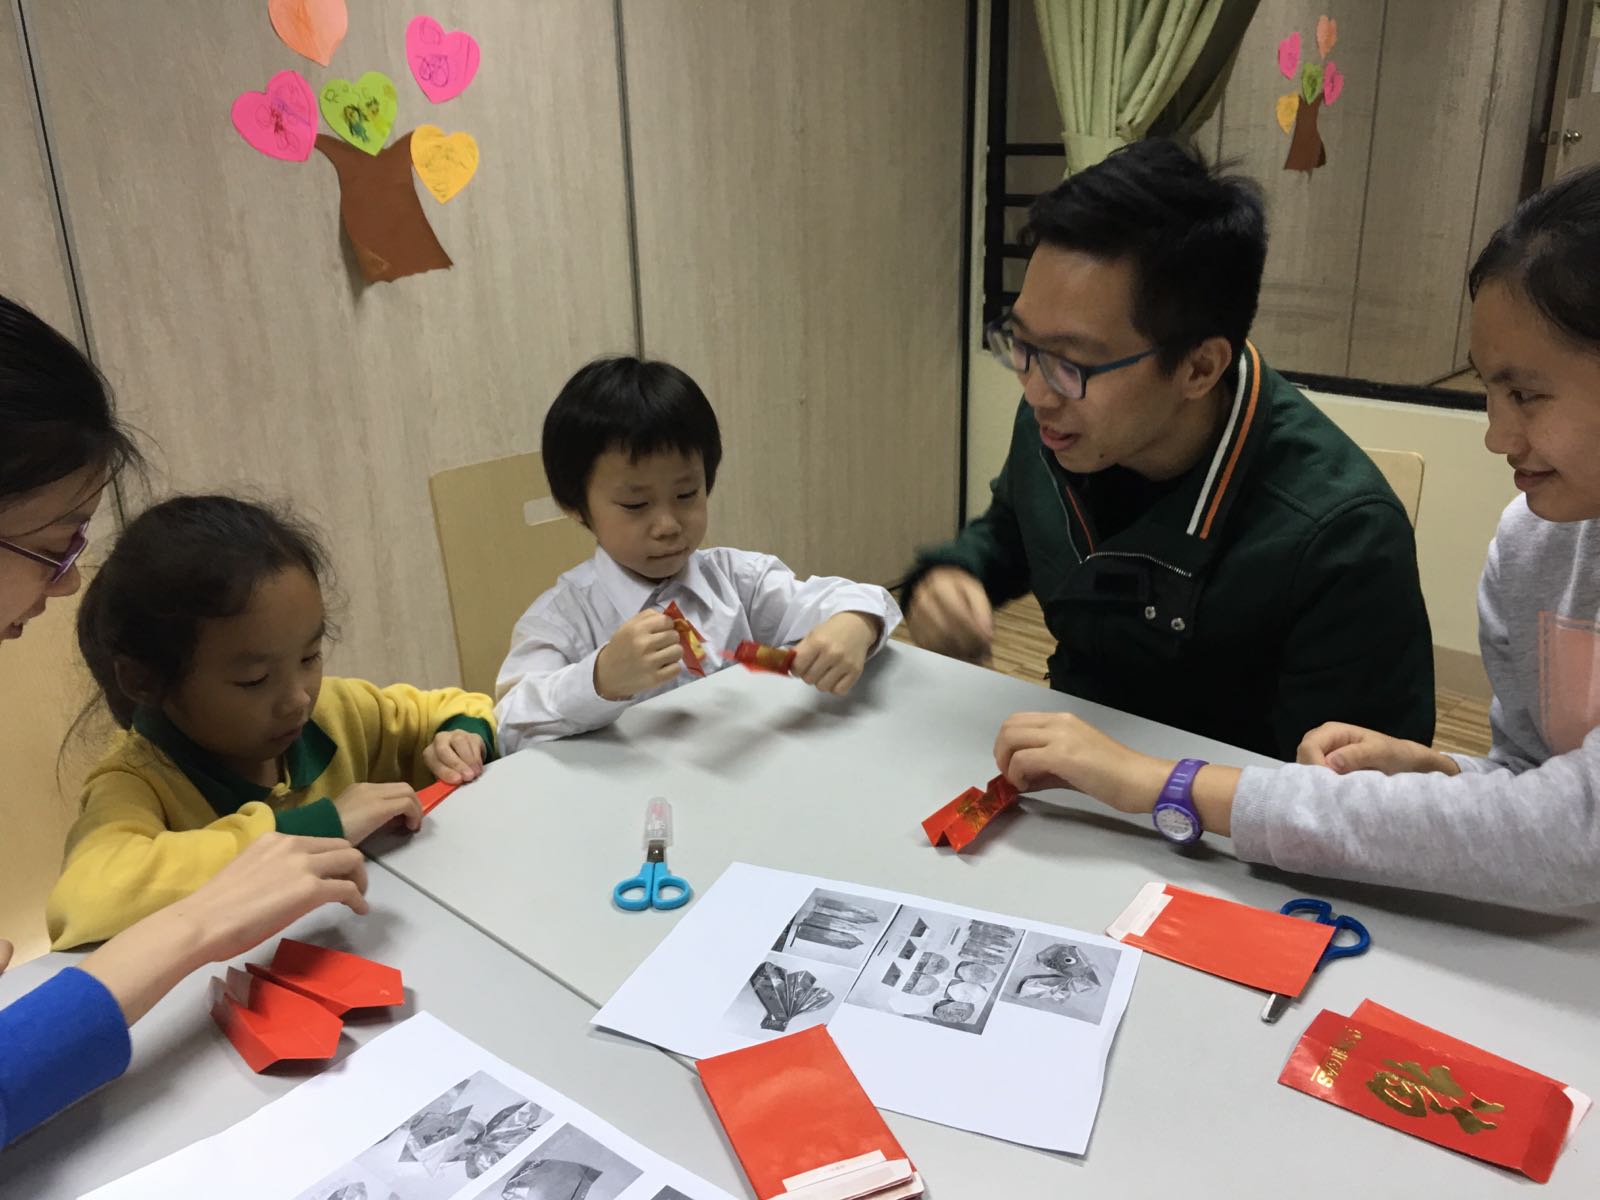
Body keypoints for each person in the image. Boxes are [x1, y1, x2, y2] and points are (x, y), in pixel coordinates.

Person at [992, 164, 1600, 912]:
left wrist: (1164, 782)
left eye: (1527, 395)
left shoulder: (1338, 526)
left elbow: (1575, 834)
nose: (1496, 435)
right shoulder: (1541, 540)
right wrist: (1443, 775)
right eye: (1489, 391)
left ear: (1200, 366)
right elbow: (1536, 778)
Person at [905, 139, 1434, 759]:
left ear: (1199, 368)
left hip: (1221, 840)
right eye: (1021, 346)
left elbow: (1355, 811)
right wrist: (957, 574)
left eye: (1072, 362)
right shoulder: (1061, 416)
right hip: (1061, 778)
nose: (1037, 392)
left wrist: (1138, 780)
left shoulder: (1342, 538)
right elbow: (1016, 531)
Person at [0, 292, 370, 1149]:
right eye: (53, 543)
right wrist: (197, 922)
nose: (64, 584)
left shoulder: (335, 710)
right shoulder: (134, 779)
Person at [48, 495, 498, 949]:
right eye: (254, 679)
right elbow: (87, 896)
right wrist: (314, 830)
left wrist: (460, 736)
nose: (298, 698)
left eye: (310, 656)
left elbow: (447, 709)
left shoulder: (336, 713)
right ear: (146, 681)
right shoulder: (136, 781)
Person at [495, 356, 901, 748]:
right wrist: (599, 679)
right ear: (575, 505)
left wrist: (854, 624)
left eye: (687, 494)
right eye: (636, 505)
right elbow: (510, 723)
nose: (668, 524)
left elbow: (862, 599)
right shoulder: (563, 617)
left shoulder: (736, 580)